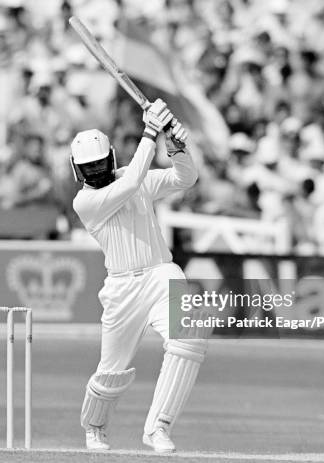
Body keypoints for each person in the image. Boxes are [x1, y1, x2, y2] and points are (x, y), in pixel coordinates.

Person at [70, 99, 207, 453]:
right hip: (121, 287)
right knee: (111, 370)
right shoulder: (85, 203)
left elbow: (185, 178)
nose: (97, 172)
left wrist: (175, 145)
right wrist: (150, 131)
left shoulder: (135, 175)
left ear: (112, 158)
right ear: (77, 171)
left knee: (189, 336)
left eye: (101, 164)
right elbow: (130, 185)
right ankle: (95, 427)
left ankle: (158, 427)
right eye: (89, 168)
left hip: (161, 274)